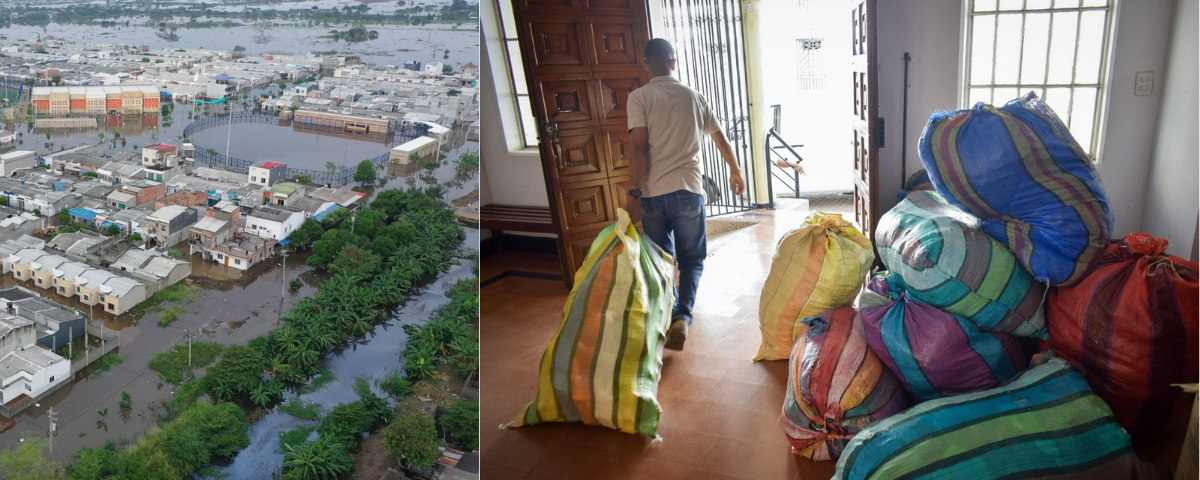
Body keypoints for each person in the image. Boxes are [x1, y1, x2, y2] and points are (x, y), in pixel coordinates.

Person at [626, 38, 746, 351]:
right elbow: (721, 139)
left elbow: (638, 146)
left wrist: (634, 193)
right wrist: (735, 170)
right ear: (673, 62)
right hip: (689, 191)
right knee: (691, 259)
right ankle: (682, 316)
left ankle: (668, 314)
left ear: (645, 64)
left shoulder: (639, 97)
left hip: (653, 193)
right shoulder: (694, 96)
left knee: (662, 259)